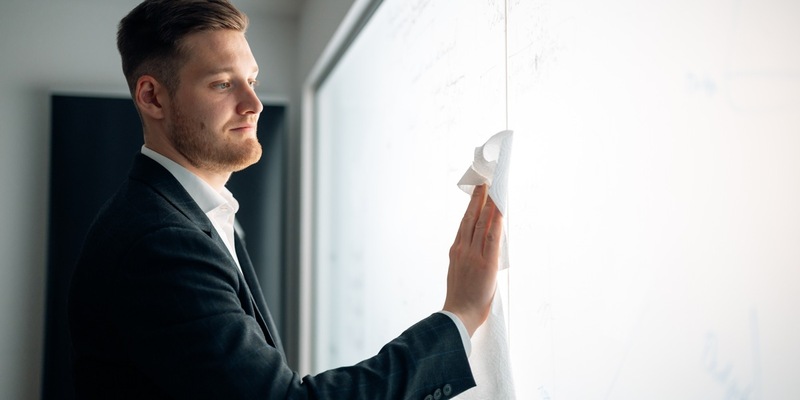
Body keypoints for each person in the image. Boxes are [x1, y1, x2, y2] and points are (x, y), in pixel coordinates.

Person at [68, 0, 502, 398]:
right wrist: (459, 316)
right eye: (222, 84)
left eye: (252, 80)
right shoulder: (159, 241)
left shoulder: (195, 214)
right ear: (152, 97)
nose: (253, 103)